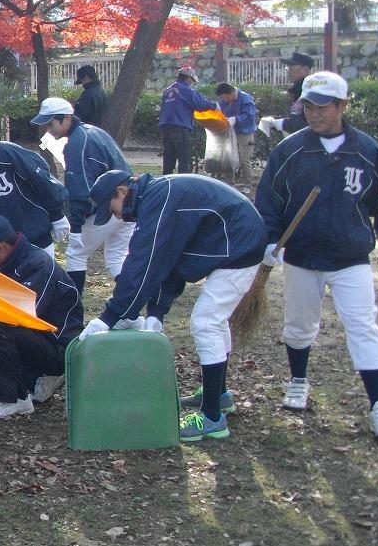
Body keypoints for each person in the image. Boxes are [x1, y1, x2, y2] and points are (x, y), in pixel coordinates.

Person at [78, 169, 266, 442]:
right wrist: (156, 312)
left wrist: (109, 316)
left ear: (122, 191)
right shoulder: (157, 196)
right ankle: (218, 395)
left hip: (239, 244)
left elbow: (143, 262)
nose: (117, 216)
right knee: (214, 321)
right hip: (236, 239)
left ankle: (212, 418)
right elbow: (168, 260)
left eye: (113, 209)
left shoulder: (159, 199)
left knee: (207, 322)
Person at [254, 71, 378, 439]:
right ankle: (298, 380)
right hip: (302, 255)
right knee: (299, 325)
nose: (314, 113)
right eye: (308, 106)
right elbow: (269, 199)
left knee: (363, 326)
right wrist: (270, 239)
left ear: (342, 105)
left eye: (323, 106)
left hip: (350, 257)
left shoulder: (367, 151)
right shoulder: (290, 150)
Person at [0, 214, 82, 419]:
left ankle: (13, 399)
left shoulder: (38, 264)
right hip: (36, 339)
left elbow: (23, 315)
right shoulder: (10, 261)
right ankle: (34, 381)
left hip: (58, 346)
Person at [31, 97, 134, 296]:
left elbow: (80, 190)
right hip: (129, 204)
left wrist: (76, 227)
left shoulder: (77, 143)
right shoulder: (95, 132)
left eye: (51, 124)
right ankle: (131, 300)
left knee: (76, 255)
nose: (48, 130)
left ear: (67, 118)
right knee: (116, 259)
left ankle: (73, 306)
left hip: (109, 206)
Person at [159, 66, 218, 175]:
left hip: (166, 127)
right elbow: (200, 104)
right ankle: (184, 181)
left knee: (168, 159)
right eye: (192, 80)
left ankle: (166, 180)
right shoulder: (186, 90)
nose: (192, 83)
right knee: (184, 159)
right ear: (188, 78)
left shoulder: (167, 91)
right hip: (180, 127)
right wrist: (215, 106)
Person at [214, 82, 258, 187]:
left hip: (245, 133)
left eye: (226, 97)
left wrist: (236, 119)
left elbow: (250, 116)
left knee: (244, 159)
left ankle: (247, 184)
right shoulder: (224, 101)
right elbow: (219, 112)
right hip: (230, 132)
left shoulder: (246, 99)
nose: (225, 100)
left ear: (232, 93)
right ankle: (229, 183)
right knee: (228, 158)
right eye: (223, 98)